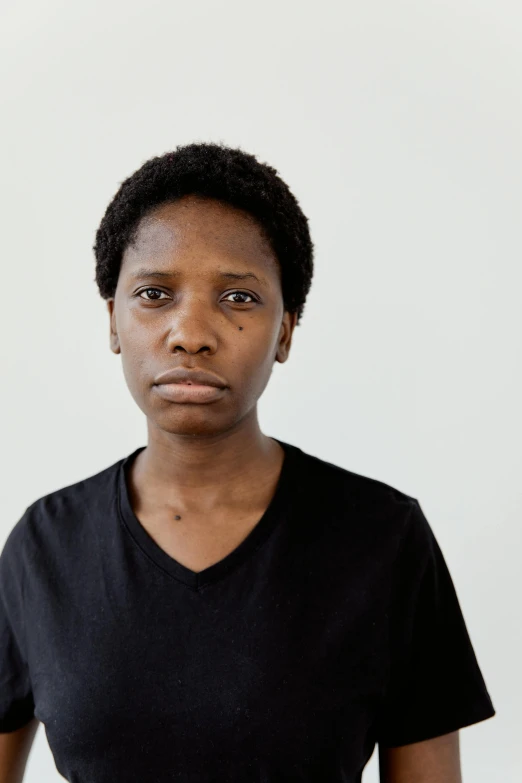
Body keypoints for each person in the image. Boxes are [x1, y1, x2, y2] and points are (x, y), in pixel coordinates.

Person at [0, 142, 495, 782]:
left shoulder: (384, 539)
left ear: (285, 330)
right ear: (114, 321)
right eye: (154, 293)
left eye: (238, 298)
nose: (191, 332)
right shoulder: (45, 547)